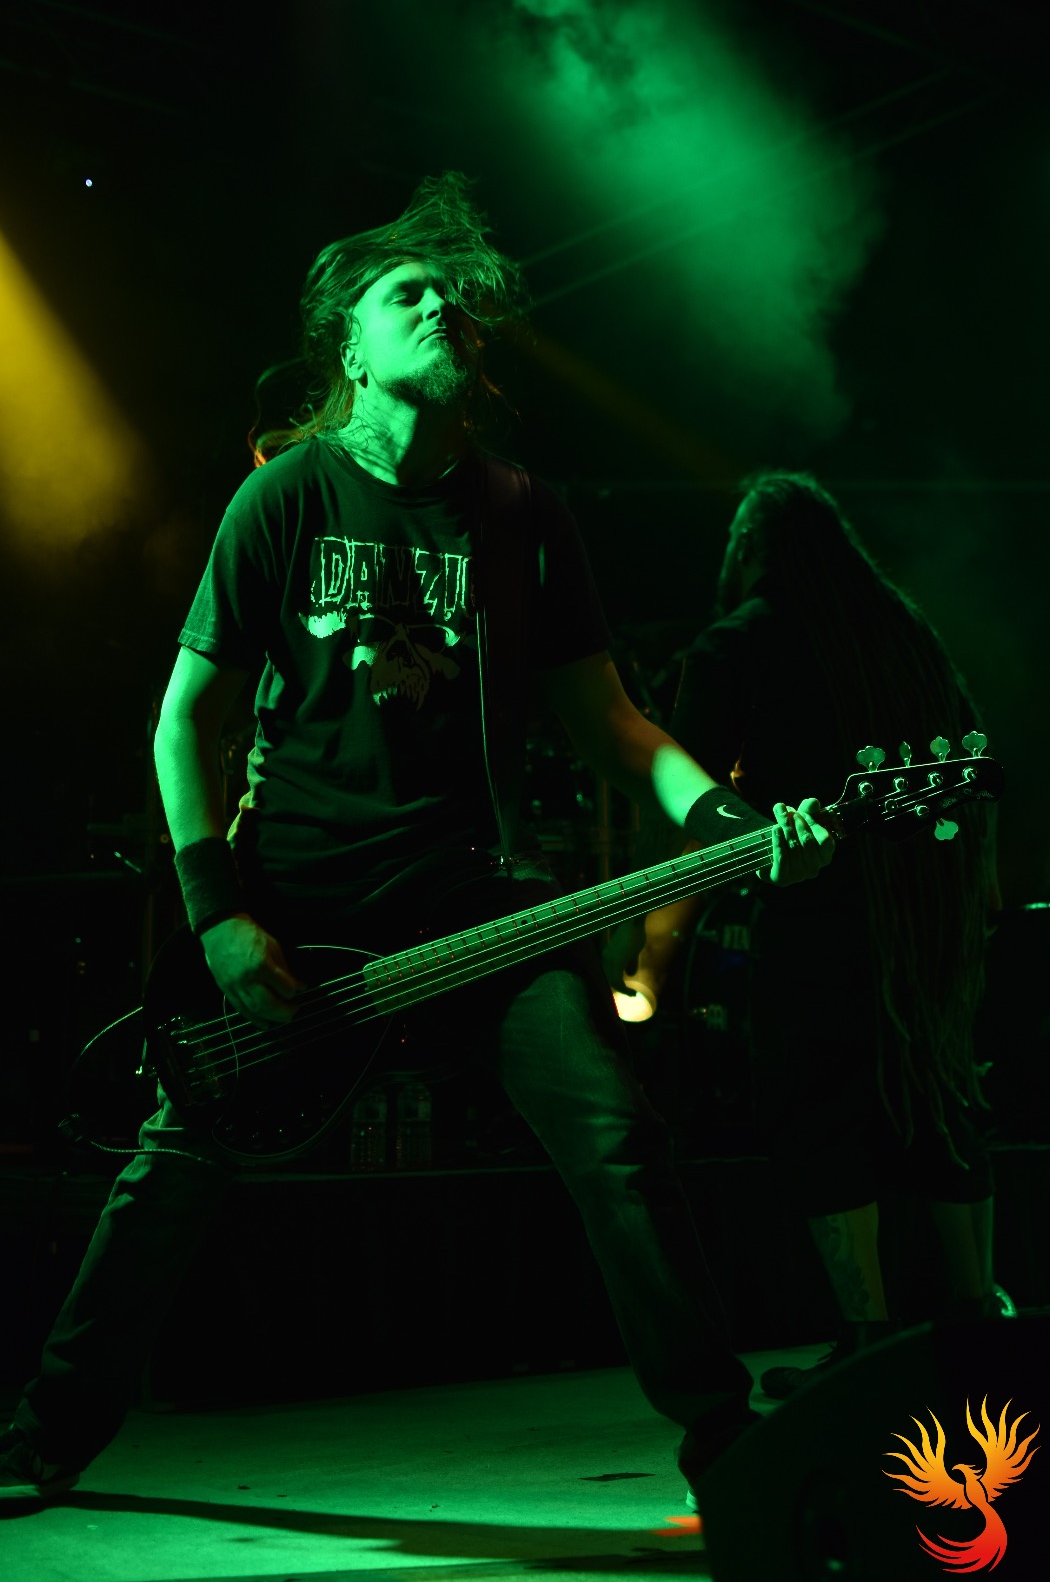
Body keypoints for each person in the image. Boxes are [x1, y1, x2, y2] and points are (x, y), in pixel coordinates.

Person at [0, 177, 835, 1513]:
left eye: (455, 297)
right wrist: (217, 913)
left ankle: (728, 1445)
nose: (442, 305)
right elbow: (183, 722)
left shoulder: (523, 514)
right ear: (351, 343)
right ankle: (42, 1436)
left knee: (615, 1136)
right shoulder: (282, 500)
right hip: (299, 911)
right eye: (408, 293)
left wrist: (728, 825)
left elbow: (613, 722)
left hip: (482, 907)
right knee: (179, 1165)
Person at [607, 470, 1000, 1395]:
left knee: (815, 1107)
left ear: (749, 548)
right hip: (927, 926)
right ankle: (976, 1315)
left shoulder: (737, 642)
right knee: (938, 1100)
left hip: (815, 916)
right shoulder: (906, 631)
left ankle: (866, 1337)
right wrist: (979, 892)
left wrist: (649, 950)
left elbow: (684, 802)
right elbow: (973, 770)